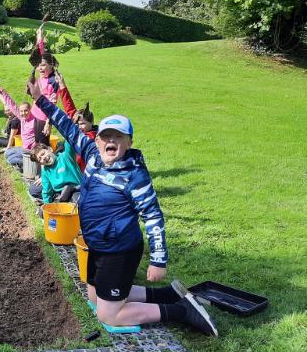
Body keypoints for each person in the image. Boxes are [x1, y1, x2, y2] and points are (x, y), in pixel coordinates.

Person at [30, 83, 218, 336]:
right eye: (106, 136)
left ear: (128, 142)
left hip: (119, 249)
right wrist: (41, 99)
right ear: (96, 140)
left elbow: (152, 216)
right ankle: (168, 293)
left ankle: (183, 311)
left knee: (108, 314)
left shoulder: (134, 175)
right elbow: (66, 125)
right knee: (94, 296)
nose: (111, 141)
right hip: (96, 244)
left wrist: (158, 260)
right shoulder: (92, 154)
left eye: (118, 137)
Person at [0, 82, 50, 167]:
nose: (23, 113)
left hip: (31, 151)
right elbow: (12, 105)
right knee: (7, 154)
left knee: (11, 159)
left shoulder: (35, 121)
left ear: (30, 110)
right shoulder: (22, 119)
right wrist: (3, 92)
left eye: (26, 110)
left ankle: (30, 164)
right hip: (23, 148)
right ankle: (25, 162)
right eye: (21, 111)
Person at [57, 71, 97, 171]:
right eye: (77, 124)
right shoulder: (78, 129)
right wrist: (62, 86)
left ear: (91, 122)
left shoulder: (91, 138)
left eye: (83, 124)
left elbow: (78, 160)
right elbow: (69, 108)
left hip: (80, 174)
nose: (79, 126)